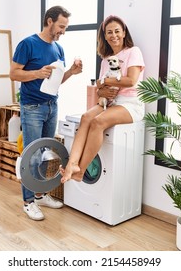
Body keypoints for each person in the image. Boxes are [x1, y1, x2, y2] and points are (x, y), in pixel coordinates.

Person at [9, 5, 83, 221]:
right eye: (61, 26)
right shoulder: (28, 44)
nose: (63, 31)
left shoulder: (58, 49)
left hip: (52, 106)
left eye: (65, 27)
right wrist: (37, 73)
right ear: (49, 21)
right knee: (31, 155)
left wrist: (71, 72)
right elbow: (13, 74)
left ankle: (40, 195)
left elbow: (57, 81)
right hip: (32, 107)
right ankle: (28, 201)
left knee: (44, 154)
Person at [60, 15, 145, 183]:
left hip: (130, 104)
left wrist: (104, 82)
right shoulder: (105, 59)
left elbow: (131, 81)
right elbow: (100, 89)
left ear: (124, 32)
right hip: (110, 103)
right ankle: (72, 164)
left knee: (98, 122)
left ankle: (81, 170)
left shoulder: (133, 52)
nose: (114, 35)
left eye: (117, 31)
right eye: (109, 32)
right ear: (105, 36)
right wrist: (102, 91)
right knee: (85, 118)